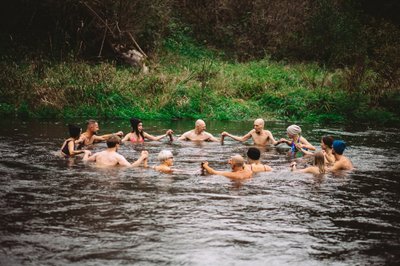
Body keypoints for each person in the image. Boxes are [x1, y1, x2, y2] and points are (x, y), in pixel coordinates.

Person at [83, 135, 148, 167]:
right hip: (110, 173)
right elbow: (131, 167)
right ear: (117, 145)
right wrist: (142, 157)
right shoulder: (118, 157)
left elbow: (85, 161)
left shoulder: (98, 154)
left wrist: (86, 153)